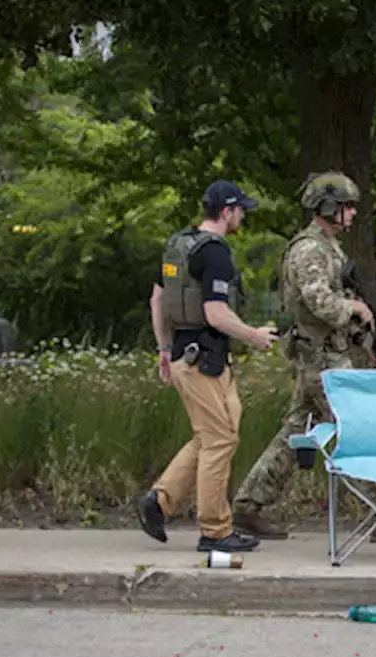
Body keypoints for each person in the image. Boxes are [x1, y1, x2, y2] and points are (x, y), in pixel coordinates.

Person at [230, 171, 376, 539]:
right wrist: (354, 309)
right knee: (356, 426)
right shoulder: (310, 249)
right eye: (347, 207)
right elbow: (320, 303)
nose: (353, 214)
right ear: (328, 207)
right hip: (322, 358)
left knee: (297, 431)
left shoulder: (327, 246)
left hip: (324, 353)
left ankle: (249, 505)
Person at [138, 179, 277, 553]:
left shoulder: (179, 245)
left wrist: (164, 349)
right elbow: (216, 314)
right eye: (240, 210)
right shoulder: (215, 253)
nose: (243, 216)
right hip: (205, 360)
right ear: (227, 211)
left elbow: (157, 299)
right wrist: (254, 335)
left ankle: (159, 501)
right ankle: (215, 530)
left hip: (186, 355)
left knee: (218, 430)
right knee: (220, 440)